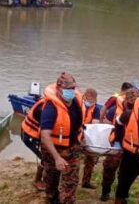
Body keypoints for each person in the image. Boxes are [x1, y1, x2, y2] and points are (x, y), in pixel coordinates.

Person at [40, 72, 83, 204]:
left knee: (71, 181)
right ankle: (51, 197)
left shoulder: (75, 101)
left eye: (73, 88)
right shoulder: (50, 108)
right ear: (59, 88)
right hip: (53, 150)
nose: (72, 91)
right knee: (51, 179)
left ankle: (67, 201)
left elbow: (78, 124)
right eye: (68, 89)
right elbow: (44, 135)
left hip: (72, 148)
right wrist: (57, 157)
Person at [100, 87, 139, 201]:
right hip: (117, 143)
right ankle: (105, 191)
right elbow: (108, 122)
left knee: (126, 172)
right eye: (130, 99)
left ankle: (121, 195)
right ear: (126, 99)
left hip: (131, 146)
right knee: (109, 167)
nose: (132, 101)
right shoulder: (116, 108)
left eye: (135, 99)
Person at [21, 97, 46, 191]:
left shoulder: (48, 103)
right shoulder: (43, 110)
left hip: (34, 133)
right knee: (45, 158)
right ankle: (37, 180)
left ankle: (44, 176)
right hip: (30, 136)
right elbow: (45, 131)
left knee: (46, 157)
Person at [81, 88, 100, 189]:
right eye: (88, 98)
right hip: (76, 135)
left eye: (92, 100)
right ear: (84, 96)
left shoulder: (96, 109)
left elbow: (95, 124)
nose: (90, 101)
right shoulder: (78, 105)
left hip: (88, 136)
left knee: (91, 159)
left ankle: (86, 181)